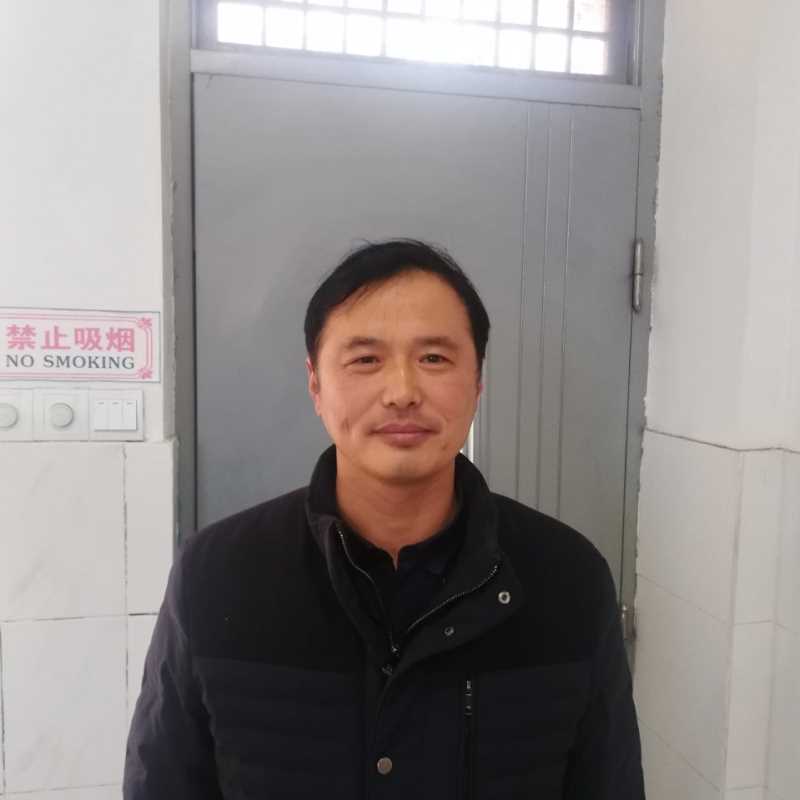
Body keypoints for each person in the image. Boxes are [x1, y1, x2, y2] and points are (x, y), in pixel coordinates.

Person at [123, 239, 645, 799]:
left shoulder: (567, 578)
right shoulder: (218, 574)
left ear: (477, 381)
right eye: (366, 360)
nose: (402, 392)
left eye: (434, 358)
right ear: (315, 382)